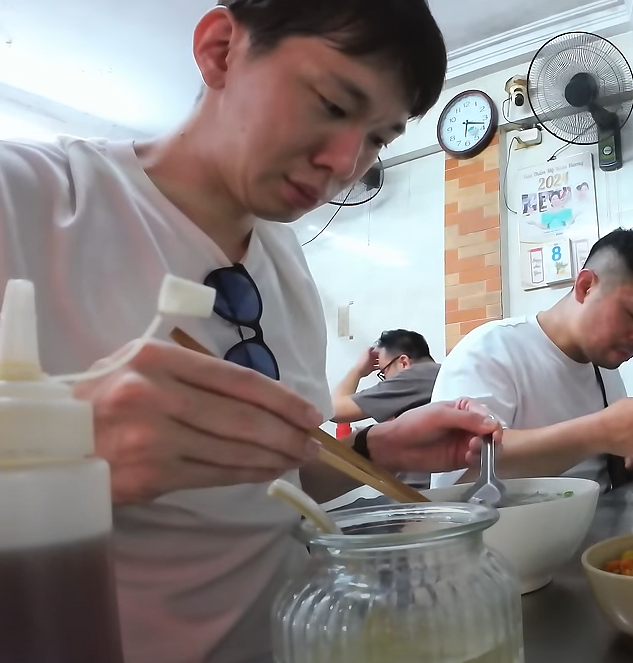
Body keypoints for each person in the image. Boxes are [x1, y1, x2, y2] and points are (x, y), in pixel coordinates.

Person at [0, 2, 503, 662]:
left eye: (379, 137)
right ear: (220, 51)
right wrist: (62, 446)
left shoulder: (288, 266)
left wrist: (378, 450)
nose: (345, 162)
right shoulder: (27, 200)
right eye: (330, 102)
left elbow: (268, 477)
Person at [431, 228, 633, 490]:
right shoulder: (490, 350)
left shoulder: (605, 369)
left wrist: (630, 453)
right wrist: (598, 433)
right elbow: (458, 479)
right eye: (631, 313)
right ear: (585, 287)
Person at [332, 329, 440, 423]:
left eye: (384, 372)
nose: (386, 381)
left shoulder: (412, 378)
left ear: (404, 363)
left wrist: (357, 370)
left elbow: (332, 410)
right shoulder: (439, 372)